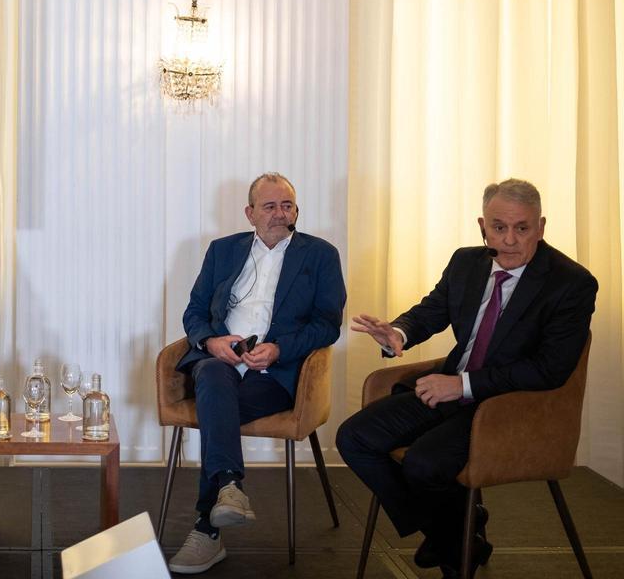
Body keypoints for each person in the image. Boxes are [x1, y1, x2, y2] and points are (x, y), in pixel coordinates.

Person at [337, 178, 597, 579]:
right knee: (354, 438)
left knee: (424, 463)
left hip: (511, 405)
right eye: (499, 227)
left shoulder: (572, 283)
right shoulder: (466, 262)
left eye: (522, 228)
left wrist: (464, 386)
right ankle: (456, 535)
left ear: (541, 227)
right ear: (482, 226)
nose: (509, 240)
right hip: (450, 389)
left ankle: (452, 552)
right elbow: (432, 310)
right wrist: (399, 333)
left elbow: (550, 368)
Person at [168, 173, 345, 574]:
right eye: (270, 206)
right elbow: (194, 312)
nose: (280, 214)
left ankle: (206, 530)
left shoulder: (320, 255)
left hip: (278, 373)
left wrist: (280, 349)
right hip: (222, 363)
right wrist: (212, 342)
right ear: (250, 213)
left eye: (288, 206)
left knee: (216, 409)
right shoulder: (222, 251)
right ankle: (229, 490)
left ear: (296, 211)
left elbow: (327, 324)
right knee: (212, 375)